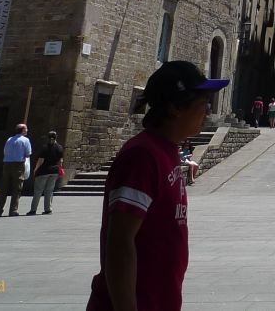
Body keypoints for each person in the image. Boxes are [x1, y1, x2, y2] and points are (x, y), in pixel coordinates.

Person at [86, 60, 228, 311]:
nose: (208, 111)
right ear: (175, 107)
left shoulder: (166, 151)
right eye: (204, 103)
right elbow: (120, 242)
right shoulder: (142, 156)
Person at [0, 123, 32, 217]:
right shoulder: (25, 140)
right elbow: (28, 153)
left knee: (4, 188)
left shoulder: (9, 139)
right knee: (17, 188)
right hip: (18, 165)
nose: (27, 130)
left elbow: (5, 151)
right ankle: (13, 210)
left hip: (7, 164)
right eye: (26, 129)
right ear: (23, 130)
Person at [28, 129, 64, 216]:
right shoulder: (59, 147)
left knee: (38, 191)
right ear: (56, 137)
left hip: (43, 171)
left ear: (48, 137)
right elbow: (60, 161)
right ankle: (48, 209)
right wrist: (60, 169)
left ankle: (33, 210)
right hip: (54, 171)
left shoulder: (45, 147)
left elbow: (41, 160)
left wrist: (35, 169)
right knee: (49, 191)